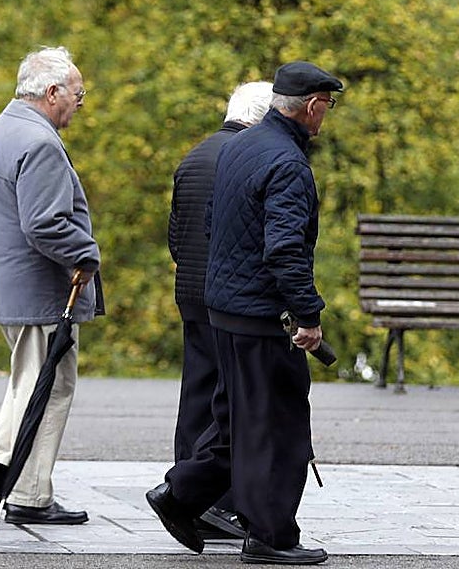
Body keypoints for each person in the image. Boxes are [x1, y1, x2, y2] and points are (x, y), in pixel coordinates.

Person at [146, 60, 342, 566]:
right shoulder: (289, 164)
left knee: (236, 422)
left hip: (224, 311)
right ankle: (271, 536)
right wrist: (308, 315)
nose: (327, 116)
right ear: (313, 106)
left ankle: (180, 496)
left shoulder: (239, 148)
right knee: (279, 426)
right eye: (329, 106)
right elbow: (285, 250)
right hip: (261, 317)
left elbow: (212, 224)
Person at [0, 46, 101, 525]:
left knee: (32, 381)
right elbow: (44, 224)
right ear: (52, 92)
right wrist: (87, 254)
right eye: (78, 95)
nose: (80, 104)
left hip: (11, 287)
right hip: (40, 290)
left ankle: (0, 465)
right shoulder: (38, 142)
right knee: (51, 386)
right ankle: (25, 490)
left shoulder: (0, 130)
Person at [168, 80, 274, 542]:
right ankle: (218, 504)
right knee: (231, 402)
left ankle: (184, 495)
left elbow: (176, 231)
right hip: (227, 299)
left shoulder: (194, 155)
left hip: (189, 291)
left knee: (196, 396)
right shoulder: (245, 159)